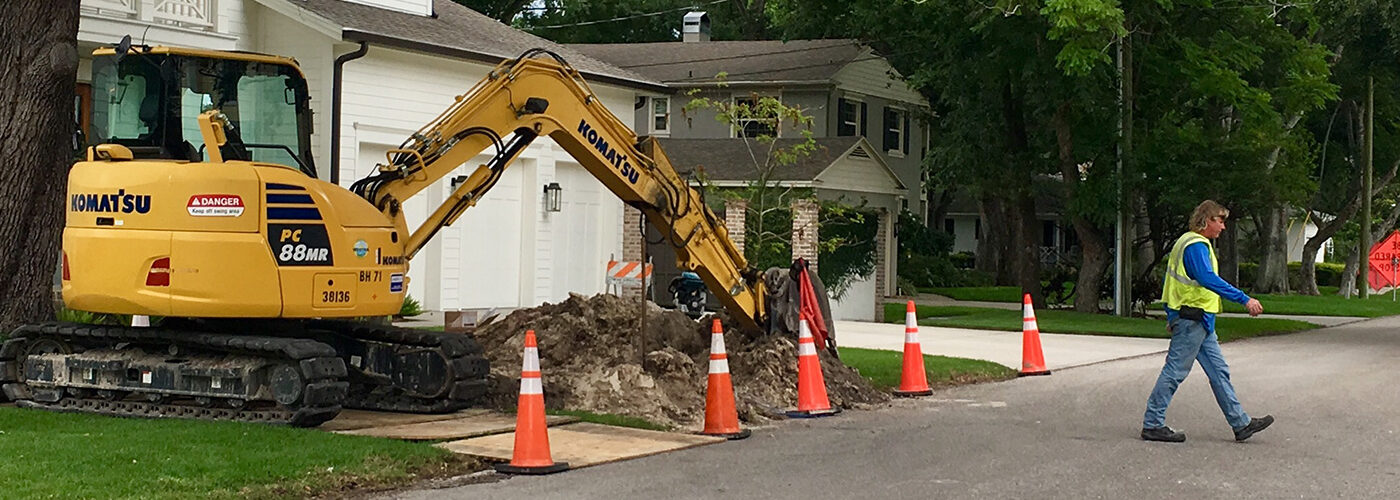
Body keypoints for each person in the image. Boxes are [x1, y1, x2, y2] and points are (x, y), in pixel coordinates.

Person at [1142, 200, 1274, 443]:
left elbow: (1172, 285)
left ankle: (1240, 423)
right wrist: (1244, 299)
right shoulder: (1196, 245)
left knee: (1218, 371)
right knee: (1175, 371)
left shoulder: (1186, 242)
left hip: (1197, 320)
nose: (1223, 227)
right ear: (1206, 221)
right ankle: (1152, 423)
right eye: (1220, 220)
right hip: (1192, 319)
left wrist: (1172, 316)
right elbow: (1207, 279)